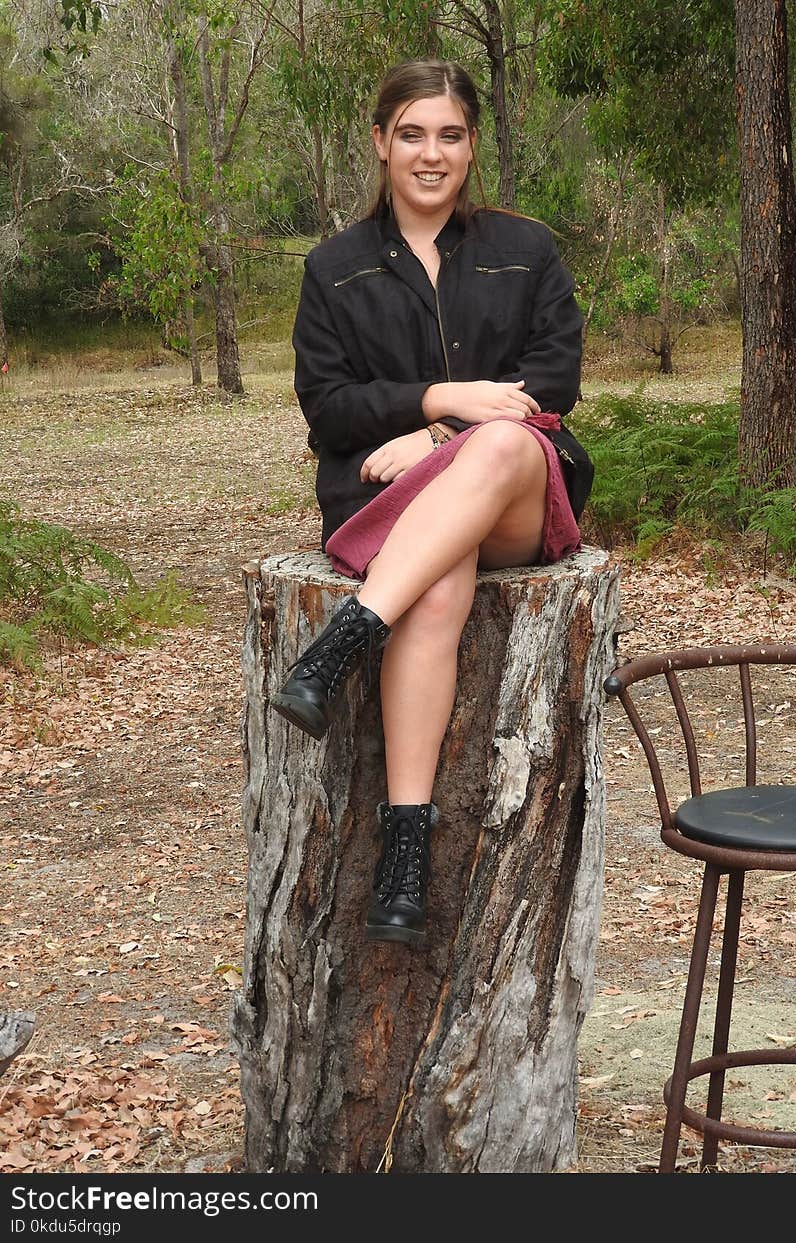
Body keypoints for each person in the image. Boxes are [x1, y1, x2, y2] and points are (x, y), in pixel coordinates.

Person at [271, 59, 593, 948]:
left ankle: (343, 639)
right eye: (411, 133)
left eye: (449, 134)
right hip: (394, 507)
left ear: (471, 145)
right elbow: (328, 407)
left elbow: (550, 384)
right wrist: (433, 401)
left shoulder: (527, 249)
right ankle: (404, 852)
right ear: (380, 144)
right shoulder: (333, 267)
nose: (430, 152)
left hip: (516, 493)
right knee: (439, 585)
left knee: (497, 442)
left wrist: (442, 438)